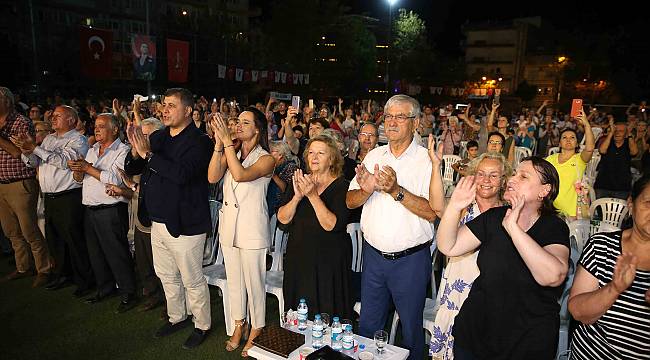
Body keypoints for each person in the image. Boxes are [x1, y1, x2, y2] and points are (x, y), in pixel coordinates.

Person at [436, 156, 570, 359]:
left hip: (526, 342)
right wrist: (454, 207)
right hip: (476, 335)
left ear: (544, 191)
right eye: (514, 173)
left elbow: (553, 276)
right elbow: (448, 246)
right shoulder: (494, 217)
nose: (512, 179)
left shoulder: (554, 227)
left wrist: (513, 228)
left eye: (523, 176)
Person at [346, 94, 437, 360]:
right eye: (388, 116)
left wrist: (396, 190)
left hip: (409, 262)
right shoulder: (375, 154)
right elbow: (350, 201)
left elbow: (432, 212)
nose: (392, 122)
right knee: (367, 327)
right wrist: (366, 190)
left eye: (400, 116)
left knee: (410, 332)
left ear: (416, 122)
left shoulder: (425, 160)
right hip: (373, 258)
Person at [127, 88, 213, 349]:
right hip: (158, 220)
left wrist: (148, 155)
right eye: (163, 104)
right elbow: (135, 168)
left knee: (192, 278)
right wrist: (135, 152)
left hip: (186, 223)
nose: (164, 110)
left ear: (187, 110)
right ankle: (177, 317)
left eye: (171, 105)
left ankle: (202, 325)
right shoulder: (159, 136)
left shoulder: (200, 141)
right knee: (166, 274)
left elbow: (182, 174)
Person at [429, 151, 511, 359]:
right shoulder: (463, 205)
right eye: (481, 174)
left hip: (489, 294)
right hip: (457, 290)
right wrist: (436, 166)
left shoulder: (509, 214)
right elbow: (438, 206)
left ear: (503, 181)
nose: (486, 180)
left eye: (493, 175)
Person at [207, 107, 274, 357]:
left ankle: (257, 327)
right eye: (238, 122)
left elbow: (241, 174)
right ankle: (239, 323)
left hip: (251, 228)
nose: (238, 126)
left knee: (254, 282)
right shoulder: (230, 151)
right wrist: (219, 145)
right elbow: (213, 177)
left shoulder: (266, 158)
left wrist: (227, 144)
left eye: (245, 122)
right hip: (229, 227)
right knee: (234, 280)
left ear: (257, 129)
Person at [568, 175, 650, 359]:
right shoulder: (602, 247)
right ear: (631, 203)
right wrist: (614, 289)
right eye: (648, 203)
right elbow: (577, 312)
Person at [13, 105, 92, 295]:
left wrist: (36, 149)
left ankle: (85, 281)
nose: (53, 118)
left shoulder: (78, 140)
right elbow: (34, 163)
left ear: (72, 120)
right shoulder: (49, 139)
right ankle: (63, 275)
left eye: (58, 116)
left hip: (68, 196)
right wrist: (27, 151)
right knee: (55, 239)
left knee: (74, 240)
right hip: (50, 197)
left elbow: (65, 162)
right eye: (53, 116)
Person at [279, 134, 353, 320]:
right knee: (298, 314)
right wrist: (297, 197)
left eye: (321, 153)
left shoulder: (342, 186)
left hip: (328, 263)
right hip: (299, 258)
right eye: (311, 152)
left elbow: (331, 225)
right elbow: (283, 219)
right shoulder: (299, 180)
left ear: (332, 159)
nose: (314, 157)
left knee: (326, 315)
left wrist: (312, 196)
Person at [68, 113, 137, 313]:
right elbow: (80, 180)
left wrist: (88, 168)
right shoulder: (92, 150)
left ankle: (128, 292)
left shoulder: (123, 151)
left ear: (115, 129)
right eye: (95, 126)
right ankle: (105, 287)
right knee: (96, 253)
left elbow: (115, 180)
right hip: (90, 208)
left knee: (117, 253)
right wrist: (78, 171)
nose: (96, 129)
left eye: (101, 126)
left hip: (111, 209)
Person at [0, 87, 51, 287]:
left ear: (7, 101)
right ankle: (23, 266)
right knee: (11, 231)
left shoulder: (20, 122)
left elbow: (16, 152)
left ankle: (44, 268)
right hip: (2, 184)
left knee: (29, 229)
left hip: (20, 183)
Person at [122, 116, 166, 311]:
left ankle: (169, 301)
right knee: (143, 259)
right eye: (140, 136)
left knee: (163, 264)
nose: (142, 140)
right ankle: (152, 294)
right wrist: (134, 147)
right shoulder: (140, 153)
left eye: (145, 136)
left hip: (161, 216)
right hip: (143, 213)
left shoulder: (164, 153)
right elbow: (131, 167)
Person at [546, 109, 595, 218]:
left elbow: (590, 148)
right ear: (559, 143)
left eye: (572, 138)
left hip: (572, 213)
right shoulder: (550, 159)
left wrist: (586, 123)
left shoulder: (579, 159)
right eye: (564, 137)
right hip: (551, 210)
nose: (568, 140)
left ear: (577, 143)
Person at [594, 119, 638, 200]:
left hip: (622, 187)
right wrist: (611, 133)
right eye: (615, 130)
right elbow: (602, 150)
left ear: (626, 133)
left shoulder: (629, 143)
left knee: (620, 212)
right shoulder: (607, 142)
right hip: (603, 185)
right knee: (601, 210)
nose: (617, 133)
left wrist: (629, 135)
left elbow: (634, 152)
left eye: (621, 131)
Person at [267, 140, 298, 216]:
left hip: (281, 209)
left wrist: (273, 175)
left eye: (271, 151)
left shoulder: (291, 166)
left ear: (280, 154)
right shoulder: (274, 166)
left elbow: (286, 189)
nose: (268, 154)